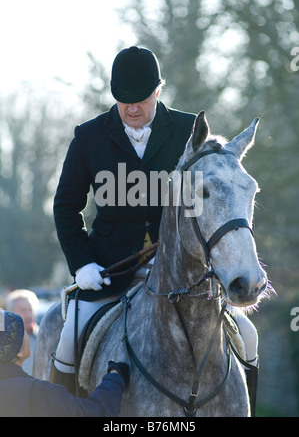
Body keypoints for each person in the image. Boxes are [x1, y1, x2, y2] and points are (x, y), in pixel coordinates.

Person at [52, 45, 259, 413]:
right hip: (111, 272)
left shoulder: (188, 132)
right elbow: (66, 207)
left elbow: (214, 201)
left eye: (142, 100)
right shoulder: (89, 137)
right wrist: (82, 264)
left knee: (248, 337)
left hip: (188, 275)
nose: (132, 108)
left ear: (158, 92)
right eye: (123, 101)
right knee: (68, 336)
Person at [0, 310, 128, 417]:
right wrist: (114, 377)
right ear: (18, 352)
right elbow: (95, 413)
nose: (27, 336)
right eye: (23, 333)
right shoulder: (39, 392)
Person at [5, 289, 39, 374]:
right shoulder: (4, 342)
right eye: (23, 310)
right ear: (11, 313)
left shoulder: (44, 338)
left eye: (30, 310)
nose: (29, 315)